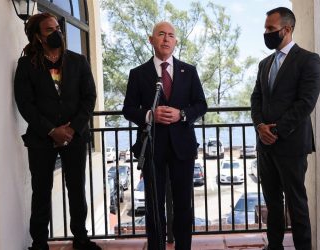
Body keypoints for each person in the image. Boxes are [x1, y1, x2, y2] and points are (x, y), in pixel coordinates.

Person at [14, 13, 101, 250]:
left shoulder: (78, 61)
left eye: (58, 28)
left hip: (75, 137)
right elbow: (25, 104)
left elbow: (89, 97)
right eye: (49, 30)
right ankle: (39, 243)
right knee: (41, 191)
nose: (57, 33)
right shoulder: (27, 65)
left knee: (76, 189)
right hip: (41, 140)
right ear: (38, 37)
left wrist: (72, 129)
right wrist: (52, 130)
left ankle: (81, 239)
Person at [122, 21, 207, 250]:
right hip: (152, 148)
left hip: (183, 148)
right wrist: (150, 115)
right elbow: (128, 109)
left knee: (183, 206)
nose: (166, 39)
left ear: (176, 41)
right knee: (154, 206)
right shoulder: (138, 74)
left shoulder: (188, 71)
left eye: (171, 35)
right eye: (161, 34)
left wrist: (182, 114)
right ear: (151, 40)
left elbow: (201, 105)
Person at [250, 7, 320, 250]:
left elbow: (306, 103)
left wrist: (277, 131)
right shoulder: (264, 63)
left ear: (287, 29)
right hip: (265, 146)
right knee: (272, 202)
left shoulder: (308, 60)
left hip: (291, 144)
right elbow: (256, 98)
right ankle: (274, 246)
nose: (266, 33)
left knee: (296, 204)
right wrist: (260, 126)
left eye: (271, 29)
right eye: (266, 28)